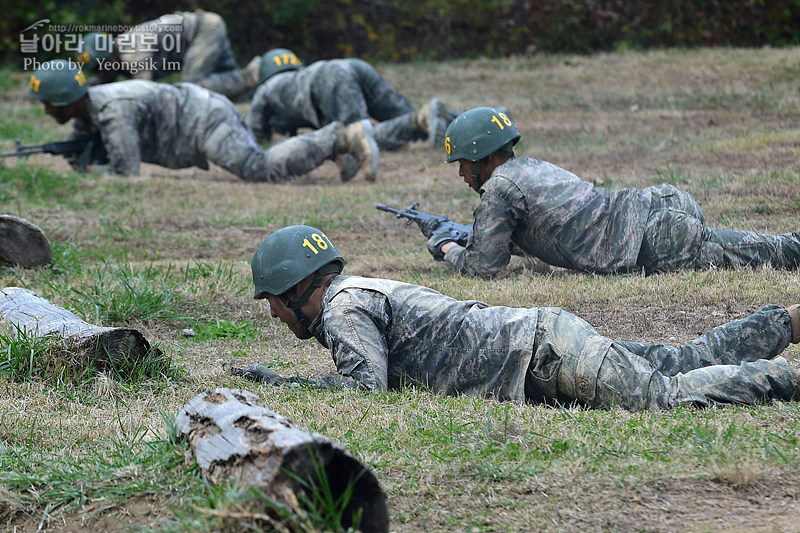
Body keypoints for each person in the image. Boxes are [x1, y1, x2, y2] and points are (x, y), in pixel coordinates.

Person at [230, 224, 800, 411]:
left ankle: (789, 377)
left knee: (667, 394)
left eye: (272, 302)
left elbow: (365, 389)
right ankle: (789, 324)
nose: (276, 315)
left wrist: (285, 385)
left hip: (545, 356)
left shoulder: (343, 307)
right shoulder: (359, 288)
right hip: (545, 337)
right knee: (679, 359)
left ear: (290, 289)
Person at [421, 106, 800, 279]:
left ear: (480, 156)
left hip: (653, 238)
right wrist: (470, 234)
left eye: (460, 163)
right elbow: (542, 232)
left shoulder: (500, 189)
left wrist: (450, 249)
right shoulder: (530, 169)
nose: (460, 174)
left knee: (779, 252)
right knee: (766, 249)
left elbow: (484, 267)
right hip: (661, 206)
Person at [28, 60, 379, 182]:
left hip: (204, 120)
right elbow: (80, 151)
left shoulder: (113, 109)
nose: (46, 112)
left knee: (258, 169)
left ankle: (340, 138)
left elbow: (126, 173)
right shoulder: (90, 111)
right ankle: (335, 142)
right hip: (200, 115)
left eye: (48, 104)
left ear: (65, 100)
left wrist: (98, 174)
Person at [245, 48, 453, 151]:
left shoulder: (266, 88)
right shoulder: (296, 76)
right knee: (417, 120)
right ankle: (460, 123)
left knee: (360, 139)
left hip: (330, 79)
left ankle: (419, 118)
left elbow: (255, 133)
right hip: (352, 66)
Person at [75, 10, 262, 101]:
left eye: (101, 67)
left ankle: (253, 74)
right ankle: (257, 79)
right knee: (228, 89)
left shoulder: (132, 52)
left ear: (110, 58)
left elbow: (145, 94)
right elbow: (103, 80)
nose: (101, 72)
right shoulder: (118, 54)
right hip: (202, 30)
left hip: (203, 30)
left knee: (192, 87)